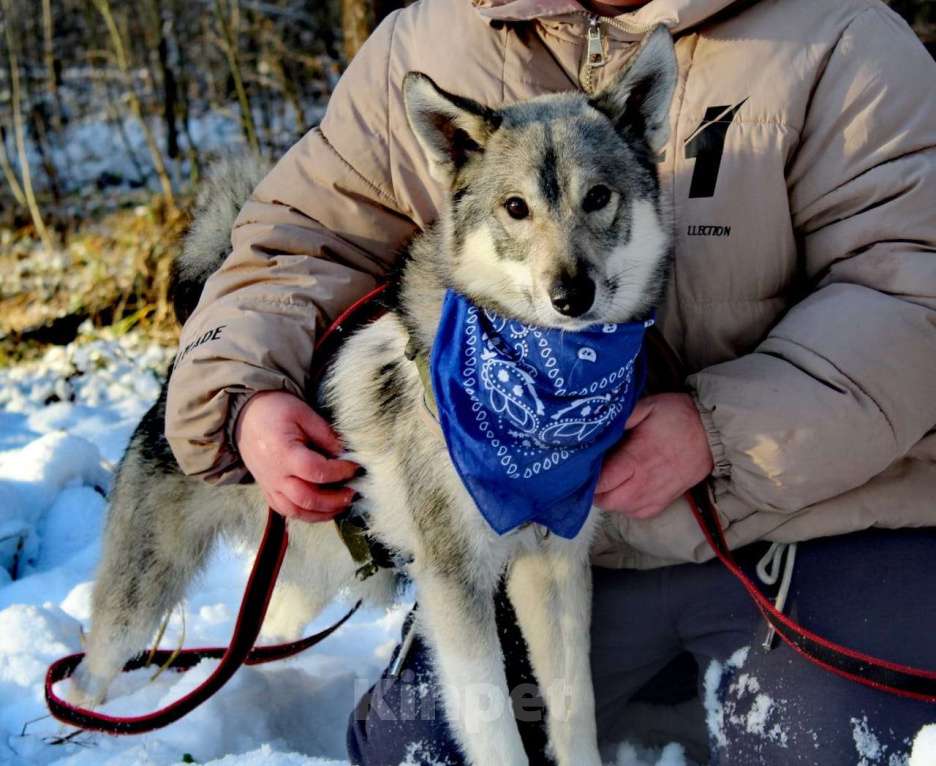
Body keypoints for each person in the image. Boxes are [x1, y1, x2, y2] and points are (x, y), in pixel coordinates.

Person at [164, 0, 936, 763]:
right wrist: (245, 390)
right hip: (547, 548)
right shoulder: (431, 41)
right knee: (421, 753)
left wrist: (721, 430)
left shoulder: (840, 35)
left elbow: (913, 292)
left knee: (837, 749)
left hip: (810, 523)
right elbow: (294, 244)